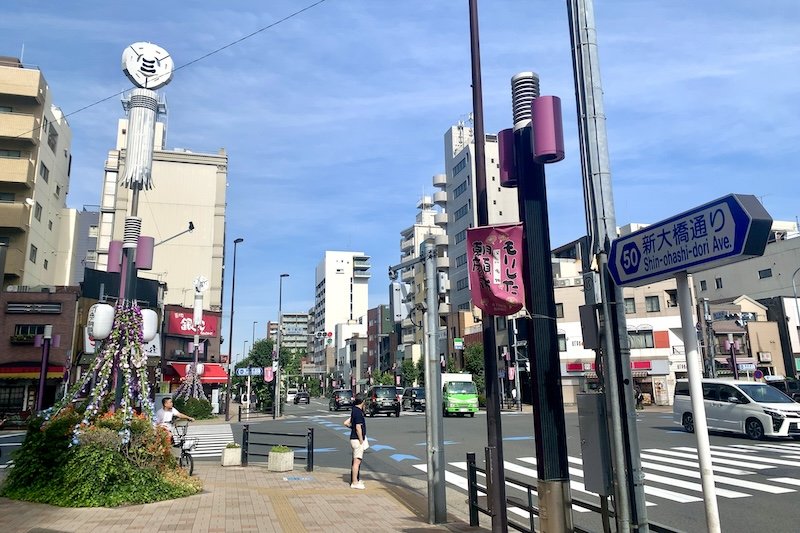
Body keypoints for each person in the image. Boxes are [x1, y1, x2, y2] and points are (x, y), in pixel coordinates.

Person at [349, 393, 369, 489]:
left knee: (355, 460)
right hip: (357, 440)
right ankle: (354, 482)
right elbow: (358, 427)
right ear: (363, 401)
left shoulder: (354, 410)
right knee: (357, 461)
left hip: (353, 438)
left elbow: (348, 422)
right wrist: (361, 440)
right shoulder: (358, 412)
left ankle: (356, 480)